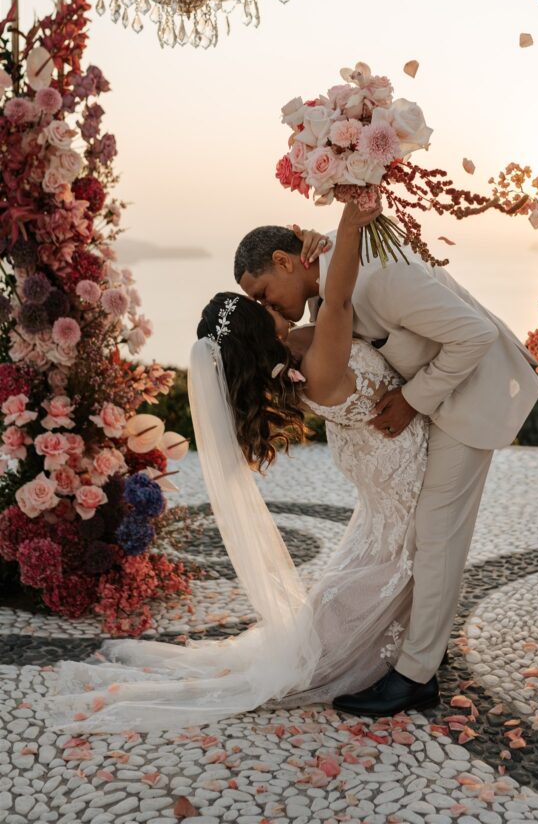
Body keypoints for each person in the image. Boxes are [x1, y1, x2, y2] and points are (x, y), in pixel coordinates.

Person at [40, 198, 438, 734]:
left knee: (334, 618)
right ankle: (409, 664)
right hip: (406, 491)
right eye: (260, 304)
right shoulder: (318, 367)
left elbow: (326, 301)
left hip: (383, 496)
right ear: (259, 333)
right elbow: (339, 301)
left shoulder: (297, 359)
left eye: (260, 295)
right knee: (339, 639)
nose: (268, 303)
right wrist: (348, 221)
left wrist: (310, 260)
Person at [235, 211, 538, 716]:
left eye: (266, 294)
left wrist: (414, 400)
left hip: (465, 395)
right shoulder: (324, 276)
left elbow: (474, 335)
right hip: (436, 399)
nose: (270, 308)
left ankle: (414, 678)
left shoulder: (380, 279)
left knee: (436, 536)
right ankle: (423, 647)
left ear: (286, 262)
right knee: (422, 536)